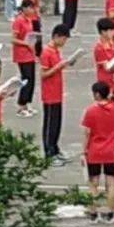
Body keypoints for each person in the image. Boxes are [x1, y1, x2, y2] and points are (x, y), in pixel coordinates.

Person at [81, 81, 114, 224]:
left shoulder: (91, 111)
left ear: (98, 94)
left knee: (93, 183)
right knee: (111, 183)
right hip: (111, 150)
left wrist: (84, 150)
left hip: (95, 150)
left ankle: (94, 213)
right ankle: (111, 213)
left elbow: (87, 133)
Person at [41, 24, 76, 164]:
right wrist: (58, 67)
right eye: (63, 39)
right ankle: (48, 153)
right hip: (49, 94)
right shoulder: (47, 52)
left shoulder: (56, 51)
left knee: (57, 123)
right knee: (50, 124)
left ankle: (55, 148)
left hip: (57, 92)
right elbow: (43, 74)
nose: (64, 42)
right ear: (56, 37)